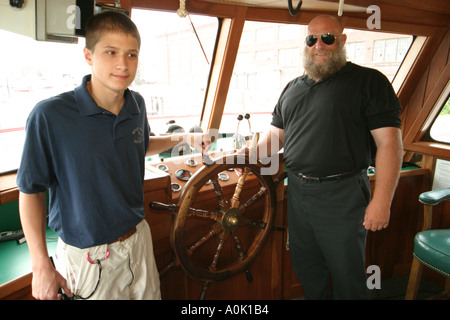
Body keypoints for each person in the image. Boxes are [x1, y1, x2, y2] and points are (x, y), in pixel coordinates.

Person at [17, 11, 207, 300]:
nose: (123, 64)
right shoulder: (50, 115)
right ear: (88, 55)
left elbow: (139, 143)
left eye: (132, 54)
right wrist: (41, 266)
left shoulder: (136, 104)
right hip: (88, 256)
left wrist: (186, 138)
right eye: (111, 52)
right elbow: (30, 191)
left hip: (137, 240)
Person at [255, 15, 403, 299]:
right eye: (312, 39)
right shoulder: (291, 89)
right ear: (306, 43)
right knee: (307, 268)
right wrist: (244, 159)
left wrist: (382, 201)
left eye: (328, 38)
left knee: (349, 277)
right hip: (298, 192)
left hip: (343, 194)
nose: (318, 45)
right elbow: (274, 138)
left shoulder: (369, 82)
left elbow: (390, 144)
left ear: (342, 40)